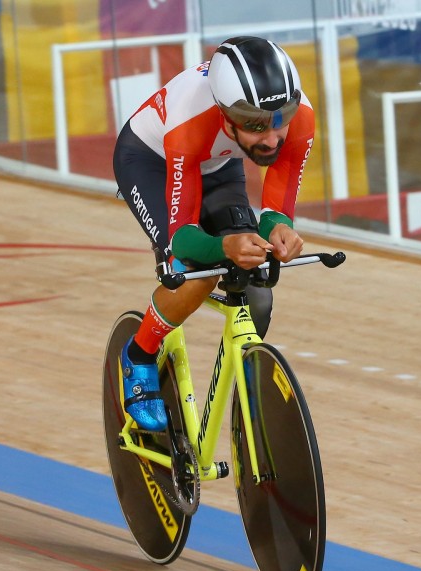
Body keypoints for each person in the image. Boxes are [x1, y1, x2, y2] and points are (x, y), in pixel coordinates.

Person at [112, 36, 313, 432]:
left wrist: (278, 229)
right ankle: (139, 353)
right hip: (152, 161)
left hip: (217, 161)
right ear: (226, 116)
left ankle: (240, 376)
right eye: (256, 127)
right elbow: (185, 236)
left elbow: (276, 208)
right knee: (194, 273)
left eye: (279, 123)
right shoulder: (191, 118)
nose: (272, 139)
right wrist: (223, 245)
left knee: (257, 285)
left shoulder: (299, 115)